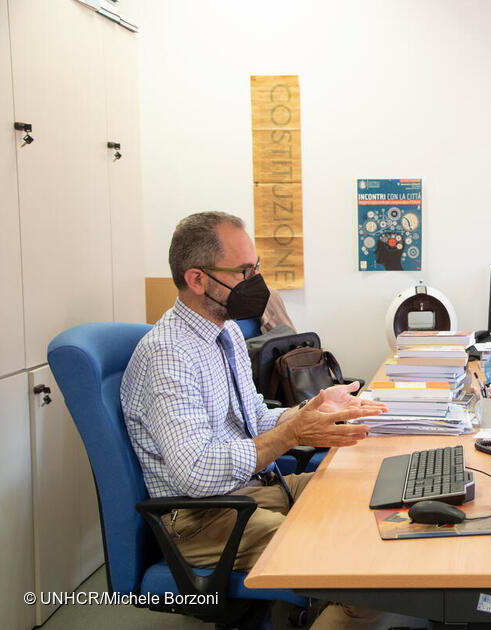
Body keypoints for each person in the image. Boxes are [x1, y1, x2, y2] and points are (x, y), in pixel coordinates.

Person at [121, 211, 390, 629]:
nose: (256, 281)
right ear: (197, 280)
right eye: (244, 271)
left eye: (256, 268)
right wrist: (292, 435)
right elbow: (194, 473)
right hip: (202, 517)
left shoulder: (225, 332)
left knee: (369, 497)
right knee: (360, 575)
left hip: (252, 491)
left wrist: (310, 409)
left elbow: (255, 418)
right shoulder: (169, 355)